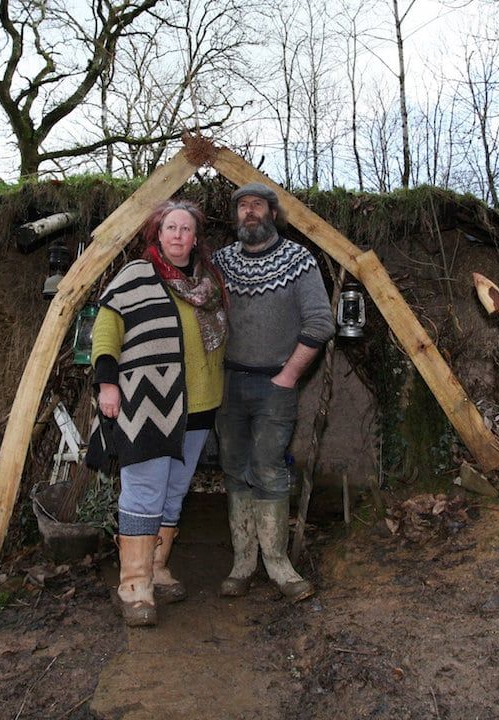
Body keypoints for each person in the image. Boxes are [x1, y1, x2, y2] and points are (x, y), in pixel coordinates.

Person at [89, 199, 227, 627]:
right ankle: (134, 583)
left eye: (186, 229)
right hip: (150, 403)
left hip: (200, 404)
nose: (178, 235)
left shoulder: (208, 282)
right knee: (144, 490)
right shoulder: (137, 275)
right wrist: (107, 382)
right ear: (158, 233)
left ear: (195, 238)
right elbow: (107, 326)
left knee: (173, 492)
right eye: (171, 227)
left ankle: (157, 567)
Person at [212, 182, 335, 602]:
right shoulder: (221, 262)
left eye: (258, 206)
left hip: (274, 386)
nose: (250, 212)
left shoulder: (299, 261)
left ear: (273, 213)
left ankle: (279, 564)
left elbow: (320, 323)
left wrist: (287, 376)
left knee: (268, 468)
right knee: (233, 469)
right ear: (236, 216)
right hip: (227, 386)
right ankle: (243, 563)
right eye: (243, 206)